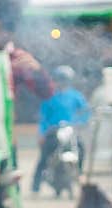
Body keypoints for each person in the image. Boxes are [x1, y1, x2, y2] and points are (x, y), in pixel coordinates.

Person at [31, 65, 91, 194]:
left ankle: (79, 173)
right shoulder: (50, 97)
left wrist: (80, 123)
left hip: (70, 130)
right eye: (59, 80)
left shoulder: (76, 96)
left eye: (65, 80)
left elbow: (85, 112)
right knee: (44, 156)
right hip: (53, 131)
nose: (62, 83)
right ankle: (35, 186)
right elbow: (43, 118)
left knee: (80, 148)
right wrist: (42, 133)